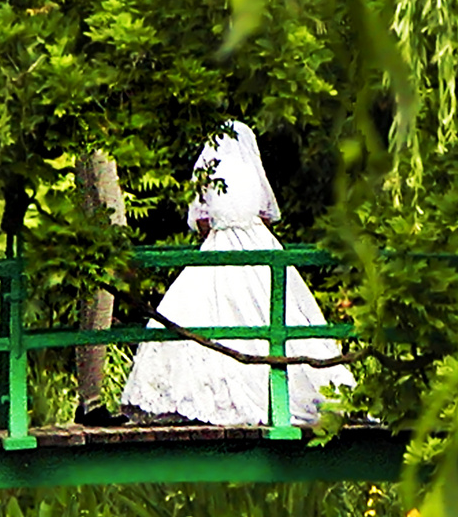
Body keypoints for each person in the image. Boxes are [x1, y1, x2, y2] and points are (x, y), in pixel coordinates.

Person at [120, 121, 355, 426]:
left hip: (220, 245)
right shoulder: (251, 173)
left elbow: (201, 221)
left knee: (200, 311)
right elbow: (266, 215)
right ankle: (297, 392)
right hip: (260, 244)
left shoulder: (208, 172)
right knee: (279, 313)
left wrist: (221, 230)